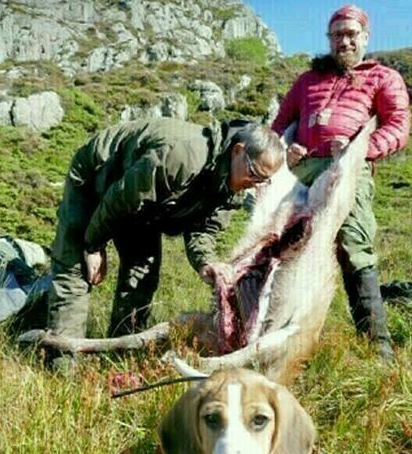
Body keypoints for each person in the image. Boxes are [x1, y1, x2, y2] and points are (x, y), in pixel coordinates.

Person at [47, 117, 286, 346]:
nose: (254, 184)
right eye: (254, 173)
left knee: (141, 274)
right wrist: (93, 245)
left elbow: (203, 229)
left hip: (145, 203)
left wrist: (205, 262)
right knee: (75, 270)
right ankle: (61, 362)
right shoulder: (183, 156)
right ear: (238, 151)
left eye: (262, 181)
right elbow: (122, 198)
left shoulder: (232, 189)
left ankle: (118, 351)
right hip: (98, 175)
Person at [271, 4, 411, 362]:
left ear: (365, 37)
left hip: (347, 169)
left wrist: (359, 150)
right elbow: (279, 126)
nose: (344, 41)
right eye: (337, 35)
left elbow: (398, 126)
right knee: (282, 247)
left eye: (351, 34)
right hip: (302, 173)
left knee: (352, 244)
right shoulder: (306, 81)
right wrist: (285, 150)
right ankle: (278, 341)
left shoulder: (383, 77)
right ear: (329, 39)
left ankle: (378, 347)